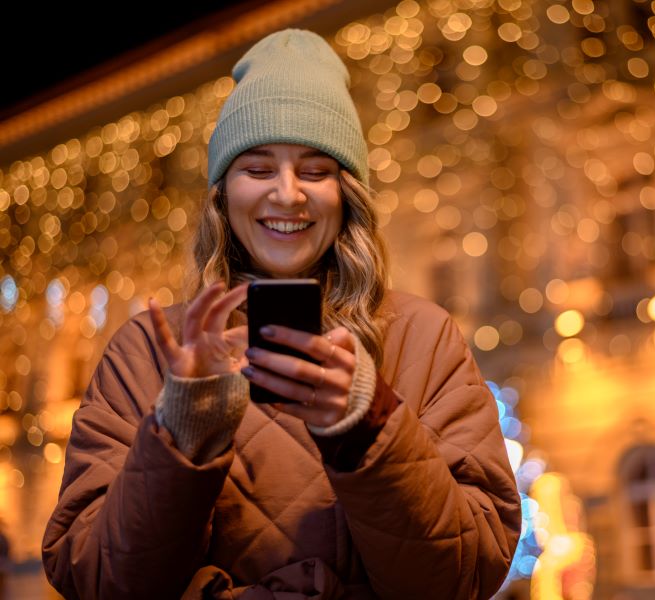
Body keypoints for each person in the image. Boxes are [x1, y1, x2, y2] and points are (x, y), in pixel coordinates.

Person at [42, 29, 520, 599]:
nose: (288, 195)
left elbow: (465, 575)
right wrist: (185, 425)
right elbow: (96, 580)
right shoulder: (147, 347)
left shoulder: (423, 337)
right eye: (259, 169)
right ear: (223, 194)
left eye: (316, 171)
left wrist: (369, 423)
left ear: (347, 195)